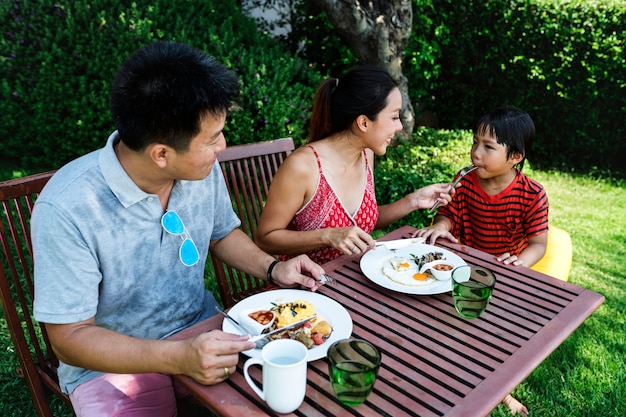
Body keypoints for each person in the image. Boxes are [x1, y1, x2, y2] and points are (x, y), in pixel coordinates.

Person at [31, 41, 325, 417]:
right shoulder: (68, 207)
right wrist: (177, 357)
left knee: (302, 394)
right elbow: (70, 339)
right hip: (109, 367)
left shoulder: (200, 169)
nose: (223, 145)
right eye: (212, 138)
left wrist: (272, 267)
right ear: (161, 154)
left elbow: (222, 233)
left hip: (205, 331)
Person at [414, 105, 549, 417]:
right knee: (459, 330)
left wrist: (519, 261)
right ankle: (454, 377)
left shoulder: (532, 194)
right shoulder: (464, 181)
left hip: (507, 276)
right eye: (475, 142)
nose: (476, 153)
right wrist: (440, 226)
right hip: (467, 273)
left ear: (515, 157)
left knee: (496, 338)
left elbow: (539, 244)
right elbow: (448, 215)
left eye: (488, 147)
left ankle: (501, 392)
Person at [254, 65, 453, 264]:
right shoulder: (302, 167)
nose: (399, 126)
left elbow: (359, 224)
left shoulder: (366, 154)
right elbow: (265, 238)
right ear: (364, 123)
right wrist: (327, 235)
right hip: (304, 285)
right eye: (394, 117)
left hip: (353, 278)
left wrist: (413, 201)